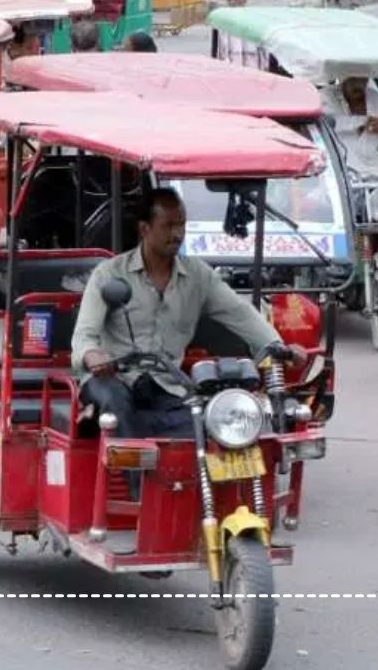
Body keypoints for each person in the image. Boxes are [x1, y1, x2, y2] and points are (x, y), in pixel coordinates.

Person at [71, 188, 307, 495]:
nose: (177, 234)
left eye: (181, 224)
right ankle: (140, 497)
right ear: (145, 229)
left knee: (208, 417)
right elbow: (84, 333)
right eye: (168, 226)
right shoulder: (109, 274)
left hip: (168, 381)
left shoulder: (198, 275)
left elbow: (240, 314)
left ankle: (196, 497)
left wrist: (278, 347)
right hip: (114, 378)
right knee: (116, 402)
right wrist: (91, 355)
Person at [322, 76, 378, 180]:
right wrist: (363, 121)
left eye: (363, 78)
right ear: (343, 75)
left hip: (374, 177)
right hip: (338, 177)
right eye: (353, 78)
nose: (358, 84)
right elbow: (328, 122)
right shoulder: (325, 98)